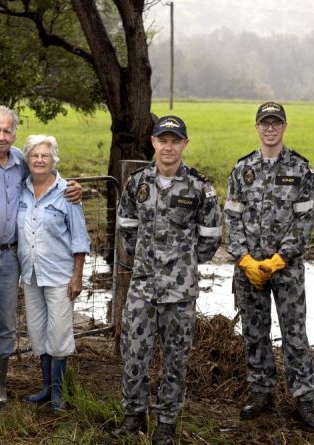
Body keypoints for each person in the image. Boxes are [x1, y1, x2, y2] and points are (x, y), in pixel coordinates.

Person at [0, 106, 80, 407]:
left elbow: (47, 173)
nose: (1, 136)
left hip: (11, 260)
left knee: (6, 324)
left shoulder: (22, 163)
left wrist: (73, 187)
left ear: (14, 134)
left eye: (7, 131)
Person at [113, 115, 222, 445]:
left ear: (184, 144)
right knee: (134, 353)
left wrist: (184, 263)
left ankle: (166, 422)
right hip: (143, 288)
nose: (169, 146)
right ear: (154, 143)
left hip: (180, 291)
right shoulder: (137, 183)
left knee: (175, 359)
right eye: (164, 140)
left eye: (176, 140)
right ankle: (133, 415)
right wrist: (146, 259)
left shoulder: (200, 188)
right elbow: (127, 226)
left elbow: (211, 238)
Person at [223, 101, 314, 430]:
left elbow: (304, 221)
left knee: (295, 334)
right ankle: (262, 393)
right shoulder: (242, 170)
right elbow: (232, 220)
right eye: (264, 123)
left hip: (287, 269)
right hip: (249, 269)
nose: (270, 128)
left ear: (284, 126)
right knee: (255, 334)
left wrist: (282, 258)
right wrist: (244, 258)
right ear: (256, 127)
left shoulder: (302, 170)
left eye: (275, 123)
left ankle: (304, 399)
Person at [16, 135, 90, 412]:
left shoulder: (67, 193)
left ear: (53, 159)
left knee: (59, 333)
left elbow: (80, 238)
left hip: (60, 275)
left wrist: (77, 276)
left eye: (45, 155)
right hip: (31, 275)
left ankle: (59, 392)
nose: (39, 160)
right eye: (34, 155)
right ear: (27, 160)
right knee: (38, 333)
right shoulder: (21, 190)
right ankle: (45, 387)